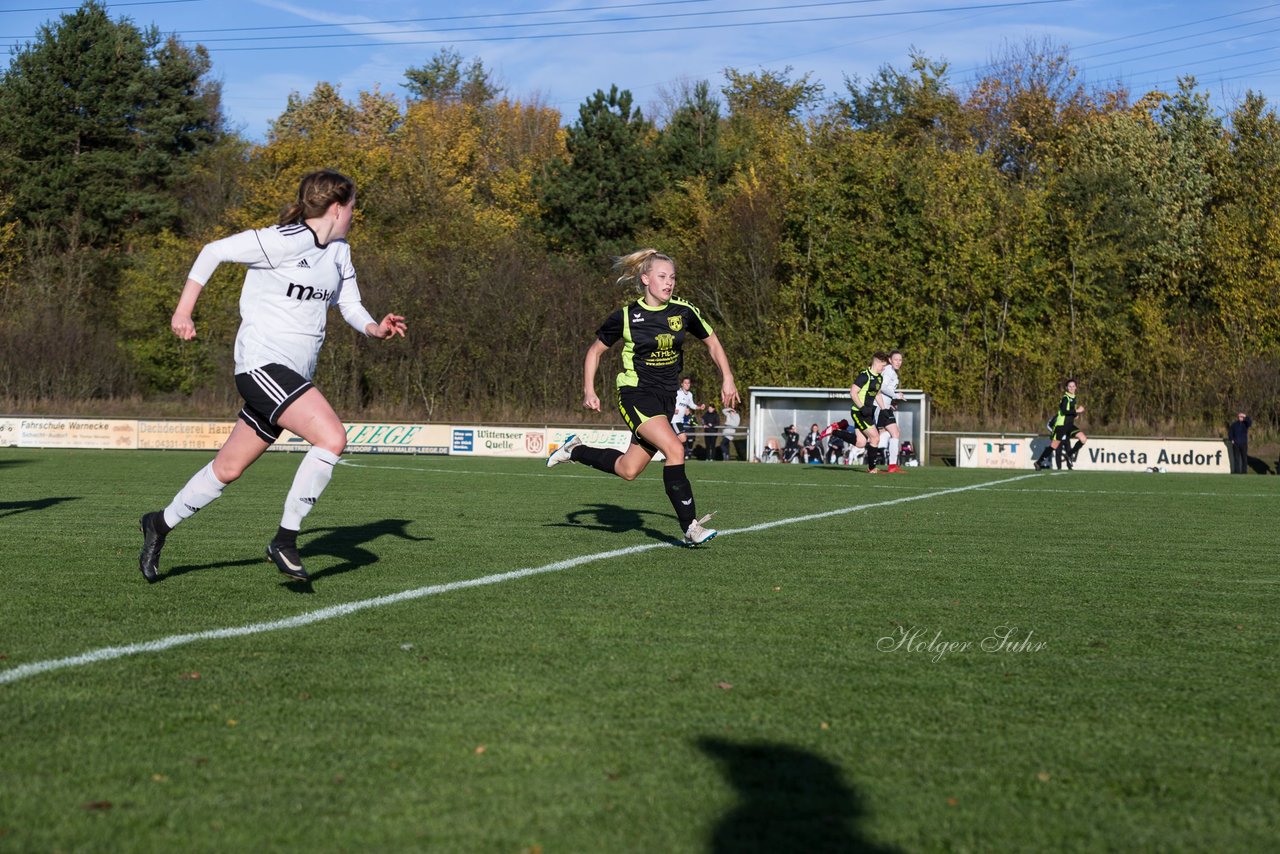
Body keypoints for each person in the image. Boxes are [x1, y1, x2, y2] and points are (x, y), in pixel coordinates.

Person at [137, 170, 408, 584]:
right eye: (353, 207)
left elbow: (350, 306)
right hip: (261, 366)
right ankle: (285, 539)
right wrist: (182, 310)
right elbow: (213, 251)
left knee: (227, 469)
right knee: (332, 438)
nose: (355, 214)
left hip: (290, 377)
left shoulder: (339, 252)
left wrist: (375, 328)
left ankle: (158, 524)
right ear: (337, 208)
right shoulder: (281, 240)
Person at [546, 249, 739, 545]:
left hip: (665, 398)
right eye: (662, 277)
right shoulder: (626, 316)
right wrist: (589, 389)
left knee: (628, 469)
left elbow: (712, 341)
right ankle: (690, 526)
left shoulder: (683, 311)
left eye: (672, 277)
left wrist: (727, 377)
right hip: (635, 393)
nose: (669, 283)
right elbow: (595, 351)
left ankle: (575, 450)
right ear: (646, 279)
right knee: (675, 449)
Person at [820, 352, 888, 473]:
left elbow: (877, 394)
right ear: (876, 362)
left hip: (867, 412)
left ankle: (835, 431)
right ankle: (872, 468)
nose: (884, 368)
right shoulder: (864, 376)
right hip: (859, 412)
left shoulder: (879, 377)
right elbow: (853, 392)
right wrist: (862, 407)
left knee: (861, 443)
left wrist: (884, 409)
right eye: (883, 365)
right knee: (875, 438)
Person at [1035, 378, 1087, 470]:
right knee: (1053, 446)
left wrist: (1075, 415)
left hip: (1069, 425)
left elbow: (1069, 412)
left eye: (1073, 386)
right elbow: (1064, 410)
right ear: (1067, 388)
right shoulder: (1065, 398)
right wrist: (1077, 410)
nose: (1071, 388)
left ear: (1076, 387)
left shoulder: (1073, 398)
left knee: (1083, 439)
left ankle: (1069, 454)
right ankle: (1039, 462)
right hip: (1061, 426)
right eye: (1069, 386)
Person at [873, 349, 907, 473]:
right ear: (890, 360)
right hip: (878, 406)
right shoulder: (888, 371)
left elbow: (886, 389)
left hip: (886, 407)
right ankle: (840, 429)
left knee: (895, 433)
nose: (898, 362)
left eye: (900, 360)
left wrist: (891, 402)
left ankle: (892, 466)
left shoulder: (893, 372)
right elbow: (882, 387)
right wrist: (896, 396)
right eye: (896, 360)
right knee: (868, 437)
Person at [671, 376, 701, 444]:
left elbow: (692, 405)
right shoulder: (678, 393)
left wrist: (699, 407)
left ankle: (669, 450)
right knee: (683, 438)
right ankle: (668, 449)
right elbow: (669, 402)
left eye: (688, 383)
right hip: (674, 420)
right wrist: (673, 409)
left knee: (680, 439)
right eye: (685, 383)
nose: (687, 384)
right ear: (682, 384)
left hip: (680, 421)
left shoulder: (689, 395)